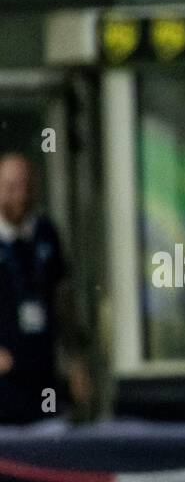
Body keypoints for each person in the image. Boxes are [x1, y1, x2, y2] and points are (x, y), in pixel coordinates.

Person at [0, 153, 90, 424]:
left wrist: (76, 361)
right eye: (11, 188)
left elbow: (63, 300)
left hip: (43, 377)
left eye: (26, 187)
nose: (21, 196)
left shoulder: (46, 234)